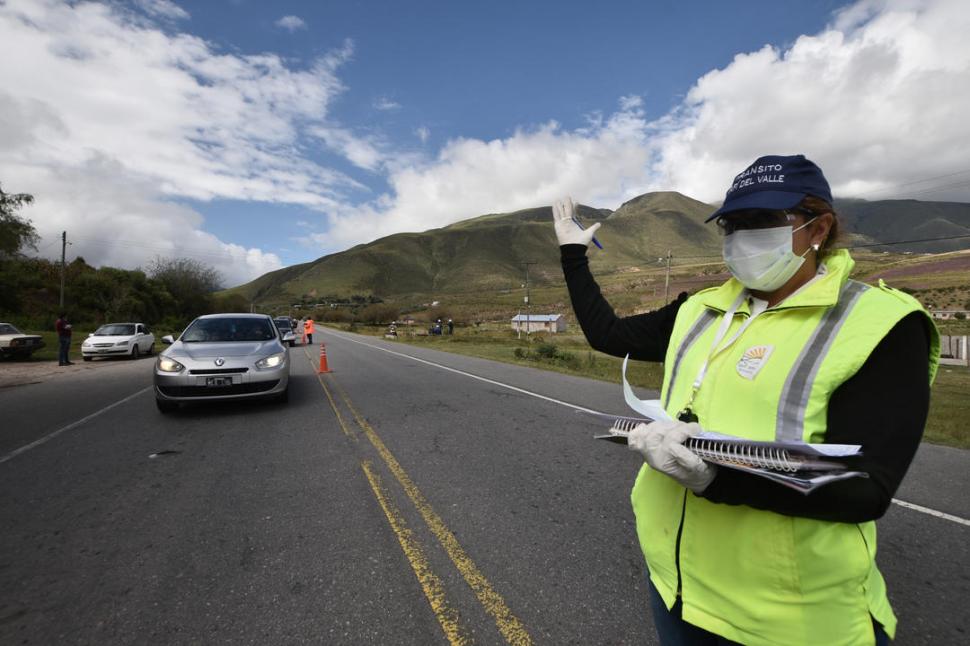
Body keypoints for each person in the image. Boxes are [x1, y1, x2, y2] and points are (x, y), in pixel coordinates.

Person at [553, 154, 939, 646]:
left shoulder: (880, 324)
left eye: (760, 223)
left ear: (818, 228)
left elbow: (864, 487)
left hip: (789, 622)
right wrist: (572, 256)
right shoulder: (701, 309)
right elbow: (608, 334)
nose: (741, 238)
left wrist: (714, 478)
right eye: (732, 225)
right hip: (677, 590)